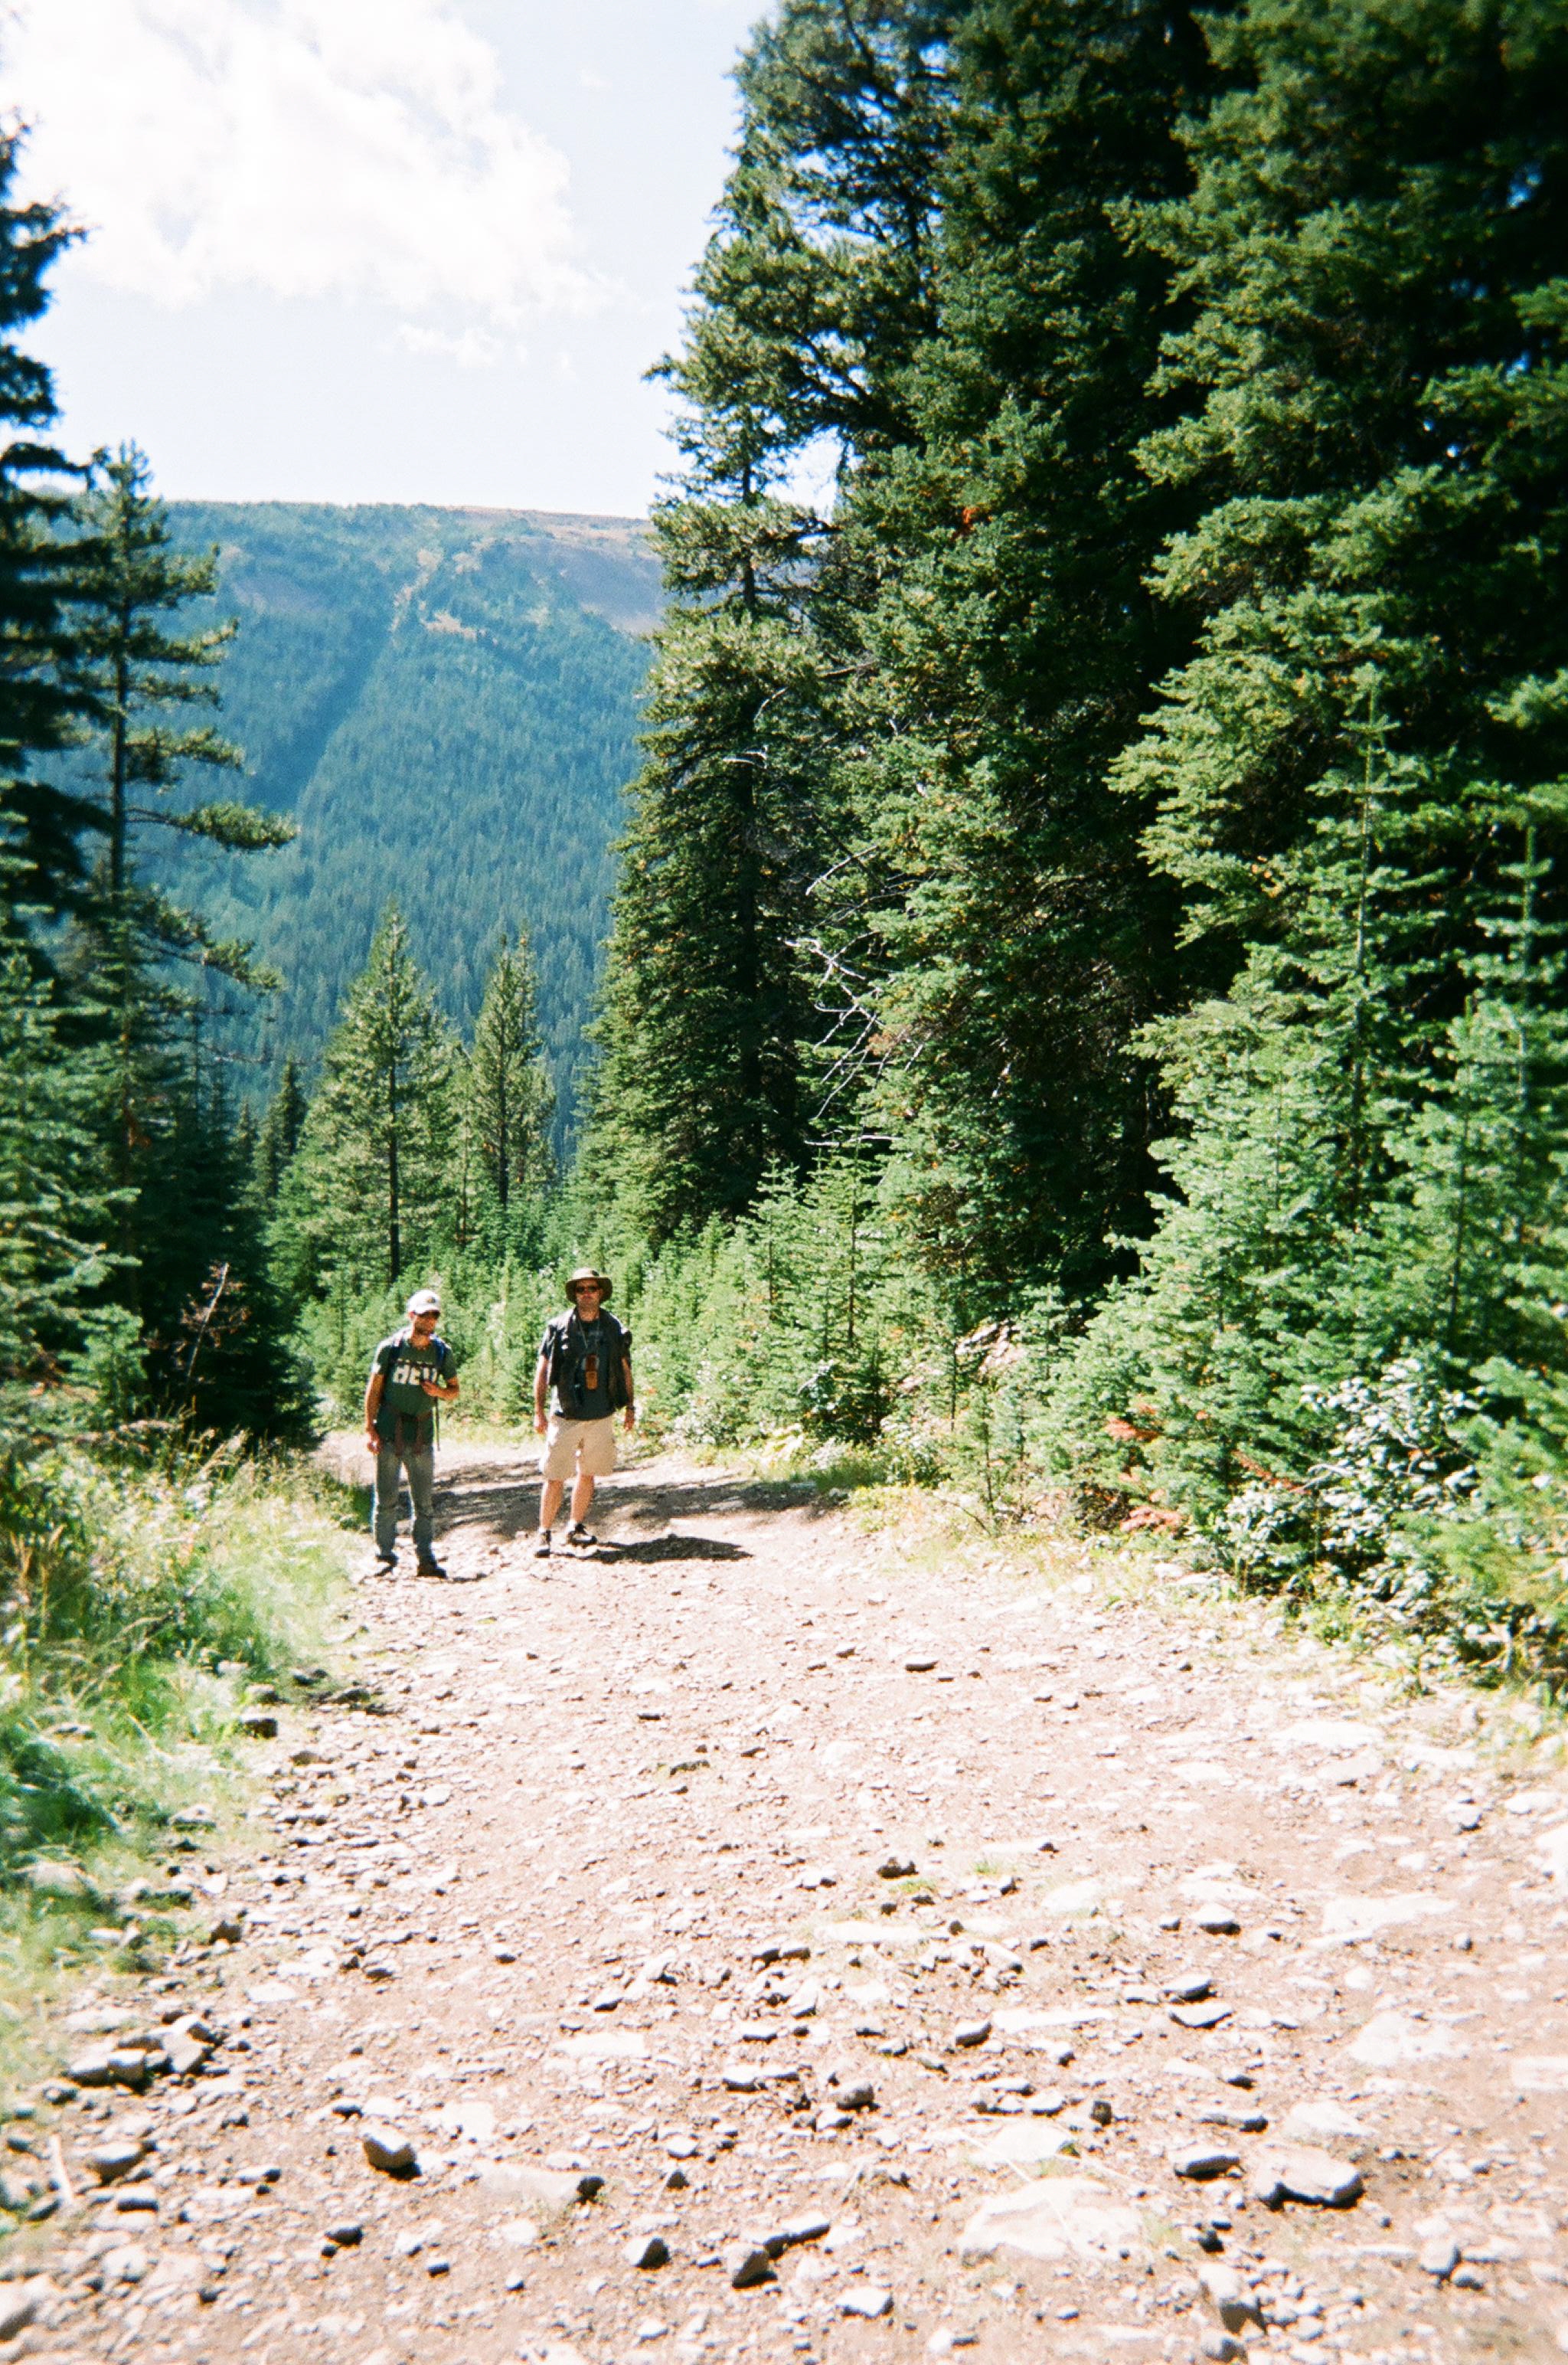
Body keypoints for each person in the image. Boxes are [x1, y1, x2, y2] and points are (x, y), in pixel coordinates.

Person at [533, 1267, 634, 1556]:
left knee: (588, 1473)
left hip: (601, 1413)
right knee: (555, 1475)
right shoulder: (558, 1327)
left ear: (600, 1292)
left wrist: (630, 1406)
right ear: (574, 1294)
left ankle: (575, 1527)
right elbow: (543, 1370)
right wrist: (539, 1411)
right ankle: (544, 1533)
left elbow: (625, 1368)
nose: (587, 1293)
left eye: (592, 1288)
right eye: (581, 1289)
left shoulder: (613, 1327)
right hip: (565, 1413)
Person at [364, 1287, 461, 1577]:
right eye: (424, 1315)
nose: (430, 1320)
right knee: (386, 1499)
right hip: (388, 1433)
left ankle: (425, 1559)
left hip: (421, 1435)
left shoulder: (442, 1352)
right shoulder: (391, 1349)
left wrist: (439, 1392)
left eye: (434, 1315)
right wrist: (370, 1429)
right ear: (411, 1316)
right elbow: (374, 1389)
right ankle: (384, 1556)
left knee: (424, 1502)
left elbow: (454, 1391)